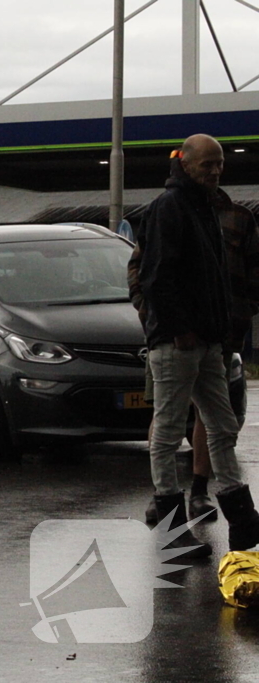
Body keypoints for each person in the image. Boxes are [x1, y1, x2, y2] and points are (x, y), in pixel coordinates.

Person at [137, 133, 259, 558]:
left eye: (220, 163)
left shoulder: (205, 206)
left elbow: (218, 278)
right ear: (185, 163)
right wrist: (179, 328)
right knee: (168, 433)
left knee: (222, 425)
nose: (216, 170)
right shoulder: (169, 208)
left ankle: (243, 522)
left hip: (209, 341)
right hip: (177, 343)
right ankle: (172, 535)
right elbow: (155, 277)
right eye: (208, 163)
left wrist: (219, 331)